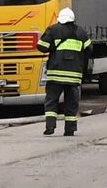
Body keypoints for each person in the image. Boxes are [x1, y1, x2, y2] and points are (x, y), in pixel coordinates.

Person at [37, 8, 90, 136]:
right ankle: (70, 130)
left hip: (56, 74)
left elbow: (41, 46)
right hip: (74, 75)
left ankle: (50, 127)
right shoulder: (81, 32)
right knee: (71, 103)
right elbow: (89, 49)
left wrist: (52, 47)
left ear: (60, 19)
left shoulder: (53, 30)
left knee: (51, 101)